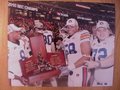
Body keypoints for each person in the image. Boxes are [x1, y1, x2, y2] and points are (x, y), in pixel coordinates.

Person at [60, 18, 91, 87]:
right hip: (71, 70)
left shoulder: (82, 33)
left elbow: (86, 57)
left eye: (72, 26)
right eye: (68, 27)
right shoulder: (67, 39)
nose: (69, 28)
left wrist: (69, 67)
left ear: (77, 27)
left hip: (80, 69)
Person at [85, 20, 114, 86]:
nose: (101, 32)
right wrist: (91, 79)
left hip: (110, 83)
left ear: (109, 31)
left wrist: (97, 64)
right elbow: (92, 64)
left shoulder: (114, 40)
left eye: (104, 30)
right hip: (96, 82)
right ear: (96, 32)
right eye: (99, 30)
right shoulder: (94, 42)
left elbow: (114, 58)